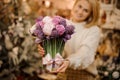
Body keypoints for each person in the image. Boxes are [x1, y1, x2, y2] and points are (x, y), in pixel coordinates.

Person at [38, 0, 101, 80]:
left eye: (86, 10)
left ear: (90, 14)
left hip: (84, 75)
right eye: (80, 6)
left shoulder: (93, 30)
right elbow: (59, 52)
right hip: (64, 72)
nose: (80, 12)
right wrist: (46, 50)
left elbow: (85, 53)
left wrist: (69, 61)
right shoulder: (62, 25)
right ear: (74, 5)